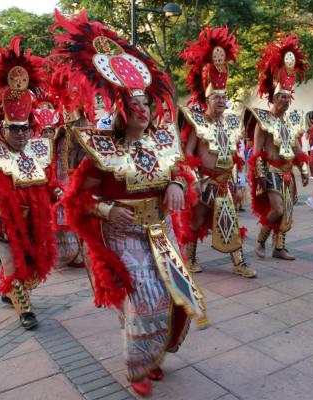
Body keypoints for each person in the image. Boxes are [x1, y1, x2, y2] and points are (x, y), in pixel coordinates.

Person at [53, 10, 206, 396]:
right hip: (122, 232)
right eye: (134, 101)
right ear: (122, 107)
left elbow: (182, 171)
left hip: (162, 229)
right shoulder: (100, 149)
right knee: (146, 299)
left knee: (175, 297)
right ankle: (137, 368)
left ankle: (153, 353)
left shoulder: (162, 142)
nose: (143, 107)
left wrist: (176, 183)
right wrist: (106, 210)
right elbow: (78, 199)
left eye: (146, 101)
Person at [0, 36, 57, 329]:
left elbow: (44, 182)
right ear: (3, 130)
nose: (21, 134)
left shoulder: (38, 149)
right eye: (15, 130)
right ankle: (25, 309)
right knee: (13, 263)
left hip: (32, 221)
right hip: (0, 219)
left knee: (28, 263)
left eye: (25, 129)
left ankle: (10, 289)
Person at [179, 26, 256, 278]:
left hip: (225, 182)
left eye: (224, 98)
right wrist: (193, 182)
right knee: (197, 221)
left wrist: (235, 177)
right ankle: (189, 258)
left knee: (230, 222)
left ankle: (240, 263)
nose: (222, 102)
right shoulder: (196, 122)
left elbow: (234, 152)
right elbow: (186, 153)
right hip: (204, 182)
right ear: (207, 101)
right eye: (217, 99)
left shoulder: (232, 122)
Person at [248, 34, 310, 261]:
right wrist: (259, 174)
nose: (285, 101)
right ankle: (260, 241)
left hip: (287, 172)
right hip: (271, 171)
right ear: (273, 99)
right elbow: (256, 151)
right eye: (281, 97)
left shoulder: (292, 122)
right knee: (277, 210)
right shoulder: (262, 121)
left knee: (288, 213)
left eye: (287, 97)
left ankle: (279, 247)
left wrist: (303, 170)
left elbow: (297, 150)